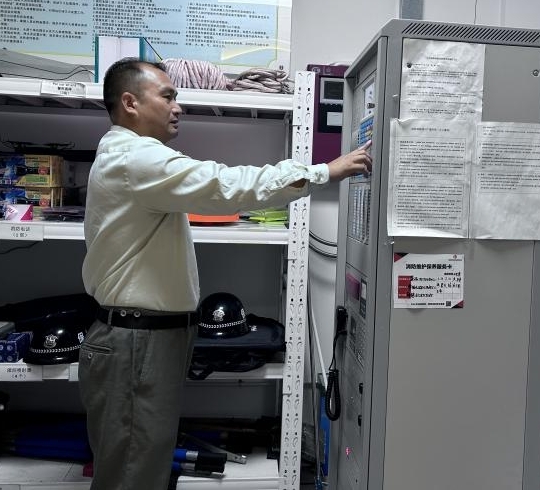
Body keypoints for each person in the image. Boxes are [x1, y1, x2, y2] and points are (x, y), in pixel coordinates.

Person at [78, 58, 371, 490]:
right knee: (132, 474)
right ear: (130, 103)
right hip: (136, 344)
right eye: (167, 96)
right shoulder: (136, 158)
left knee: (140, 465)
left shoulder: (128, 155)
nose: (178, 107)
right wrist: (324, 171)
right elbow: (225, 185)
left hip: (142, 341)